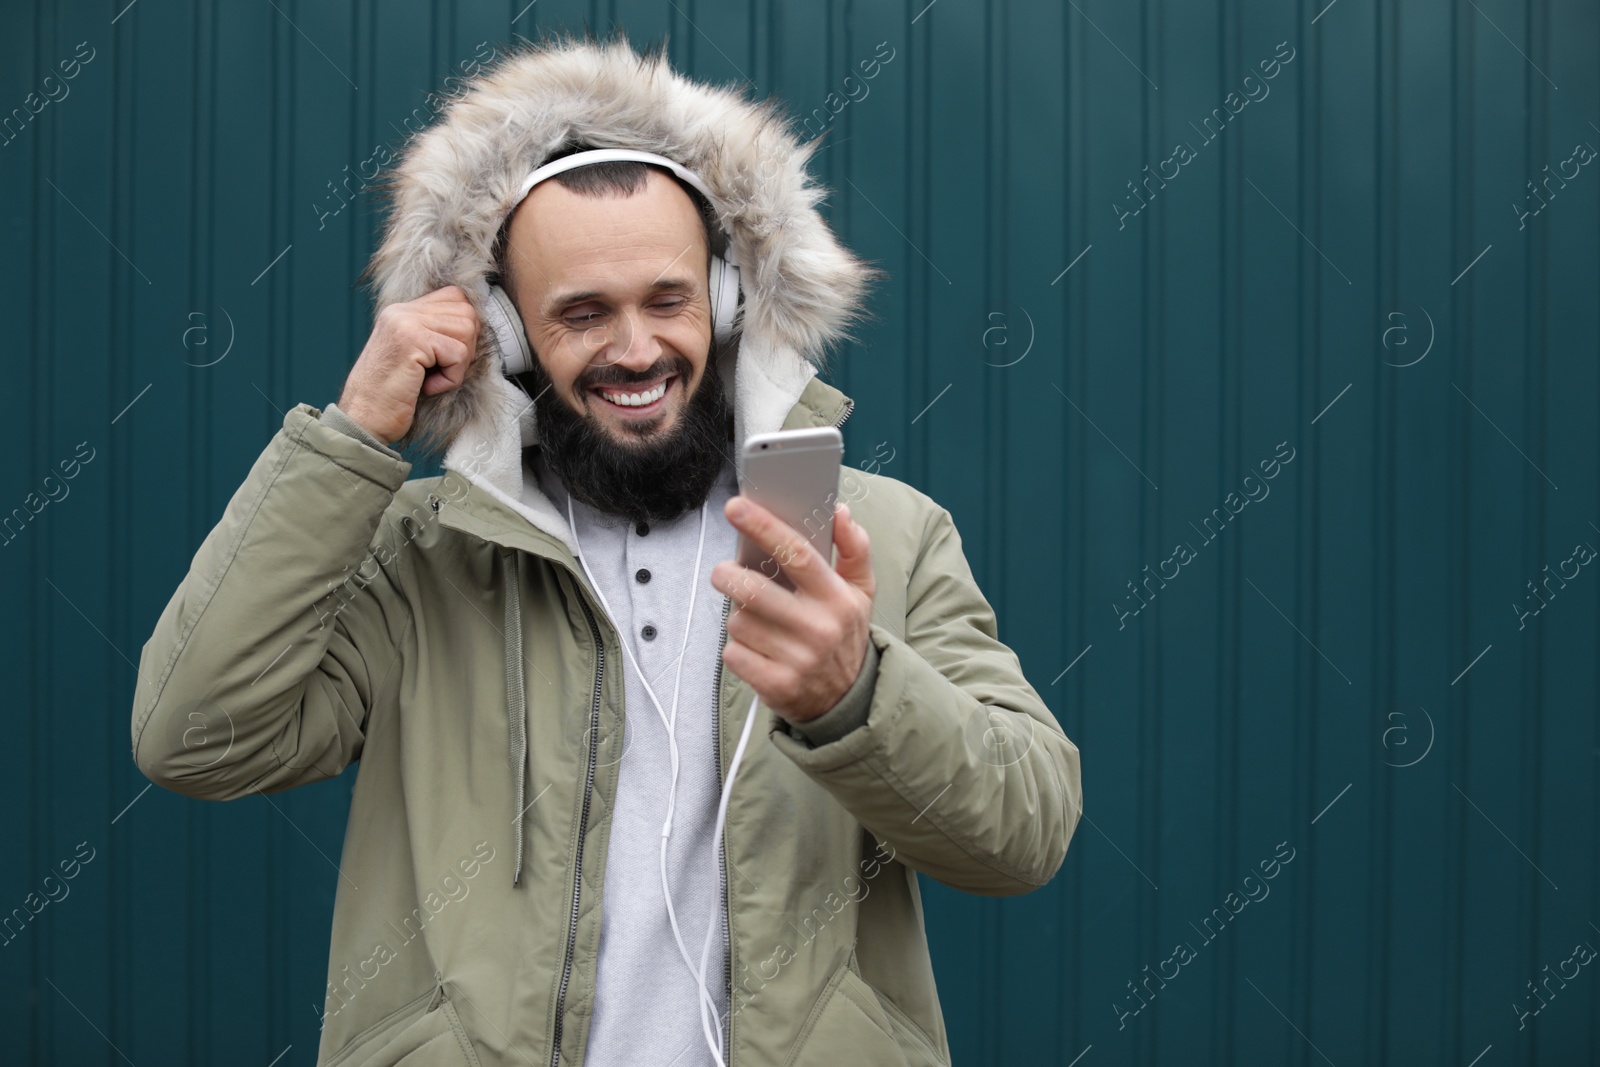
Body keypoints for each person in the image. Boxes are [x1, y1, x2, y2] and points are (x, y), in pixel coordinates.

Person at [131, 29, 1082, 1067]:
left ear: (725, 300)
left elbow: (1022, 834)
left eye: (666, 300)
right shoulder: (418, 553)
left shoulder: (878, 535)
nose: (636, 350)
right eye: (582, 313)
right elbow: (196, 739)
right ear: (506, 331)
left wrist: (857, 692)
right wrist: (355, 434)